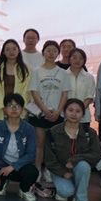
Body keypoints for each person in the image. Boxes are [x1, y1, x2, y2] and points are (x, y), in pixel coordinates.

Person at [44, 99, 101, 201]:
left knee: (83, 166)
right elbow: (49, 159)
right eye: (70, 110)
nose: (74, 114)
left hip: (80, 169)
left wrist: (75, 160)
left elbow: (96, 154)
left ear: (83, 114)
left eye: (78, 111)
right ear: (64, 112)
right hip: (60, 170)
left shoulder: (90, 133)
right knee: (66, 192)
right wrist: (63, 172)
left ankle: (81, 200)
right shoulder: (53, 132)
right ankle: (68, 188)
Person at [26, 40, 70, 180]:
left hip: (57, 114)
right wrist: (44, 110)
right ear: (43, 52)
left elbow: (65, 94)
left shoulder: (63, 73)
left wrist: (58, 111)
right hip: (40, 114)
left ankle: (50, 169)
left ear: (58, 54)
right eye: (48, 50)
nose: (51, 53)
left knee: (53, 144)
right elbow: (34, 92)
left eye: (54, 51)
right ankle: (37, 169)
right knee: (39, 144)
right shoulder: (36, 71)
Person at [0, 93, 38, 201]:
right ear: (4, 109)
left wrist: (13, 166)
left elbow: (31, 154)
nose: (14, 109)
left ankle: (24, 189)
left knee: (32, 172)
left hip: (20, 167)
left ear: (22, 109)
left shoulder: (29, 129)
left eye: (17, 106)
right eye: (10, 105)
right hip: (2, 166)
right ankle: (4, 181)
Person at [0, 39, 30, 121]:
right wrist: (3, 107)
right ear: (3, 52)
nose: (11, 52)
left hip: (19, 109)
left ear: (18, 51)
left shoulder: (25, 68)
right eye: (7, 49)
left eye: (14, 49)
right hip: (1, 109)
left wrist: (18, 106)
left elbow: (26, 90)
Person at [66, 48, 95, 127]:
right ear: (69, 59)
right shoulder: (62, 75)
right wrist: (69, 112)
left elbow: (89, 97)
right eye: (74, 57)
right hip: (65, 116)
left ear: (84, 60)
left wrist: (79, 112)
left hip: (83, 117)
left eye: (81, 58)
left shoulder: (89, 77)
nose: (77, 60)